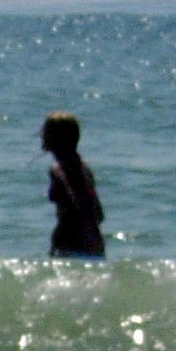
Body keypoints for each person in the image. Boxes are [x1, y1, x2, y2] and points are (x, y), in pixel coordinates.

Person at [41, 111, 105, 259]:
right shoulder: (84, 167)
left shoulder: (58, 169)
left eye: (45, 132)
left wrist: (60, 239)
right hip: (95, 244)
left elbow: (74, 204)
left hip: (72, 245)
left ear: (53, 138)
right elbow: (99, 214)